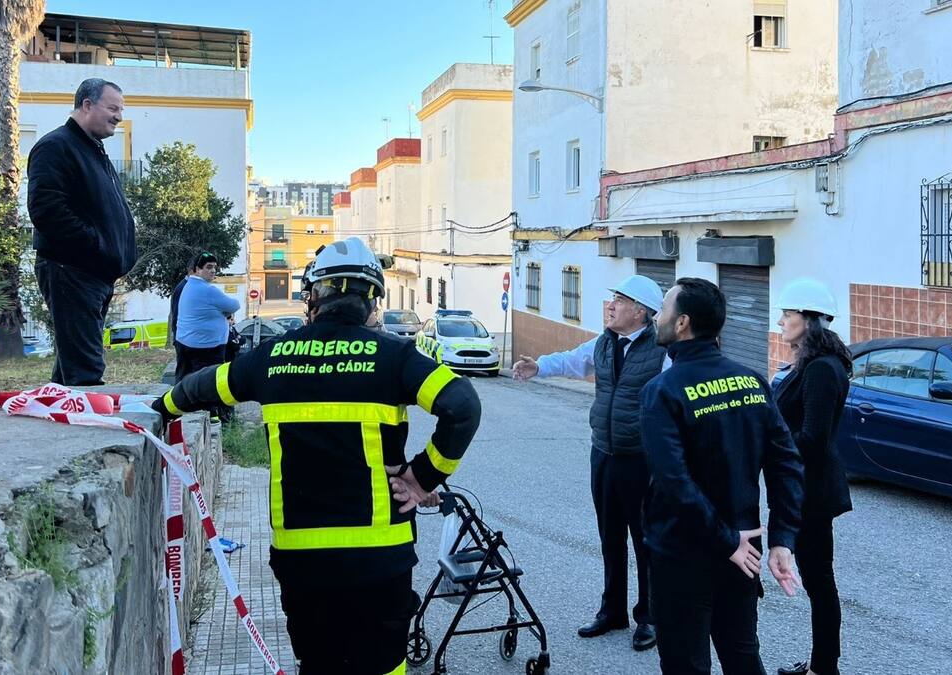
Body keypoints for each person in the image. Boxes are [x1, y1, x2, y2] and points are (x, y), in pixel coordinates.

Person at [151, 237, 482, 674]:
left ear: (313, 296)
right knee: (383, 667)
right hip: (380, 556)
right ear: (372, 301)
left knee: (320, 664)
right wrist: (422, 477)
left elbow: (202, 386)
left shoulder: (272, 357)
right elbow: (463, 407)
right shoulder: (396, 356)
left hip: (302, 559)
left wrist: (159, 408)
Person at [639, 277, 805, 675]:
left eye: (662, 309)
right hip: (740, 553)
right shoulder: (752, 381)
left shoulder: (662, 390)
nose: (655, 317)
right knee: (743, 658)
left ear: (682, 324)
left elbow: (674, 481)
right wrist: (782, 539)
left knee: (686, 665)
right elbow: (787, 464)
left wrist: (729, 540)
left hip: (686, 554)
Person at [512, 275, 666, 651]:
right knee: (610, 536)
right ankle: (612, 610)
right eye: (613, 297)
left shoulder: (664, 350)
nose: (610, 305)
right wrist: (539, 368)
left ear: (641, 311)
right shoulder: (605, 343)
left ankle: (651, 617)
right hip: (605, 453)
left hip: (641, 459)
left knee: (645, 540)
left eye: (619, 299)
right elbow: (574, 361)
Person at [28, 78, 136, 386]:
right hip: (73, 271)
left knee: (72, 366)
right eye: (113, 108)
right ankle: (93, 433)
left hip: (92, 273)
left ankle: (53, 423)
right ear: (87, 105)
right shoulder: (57, 146)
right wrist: (97, 246)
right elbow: (46, 210)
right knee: (86, 371)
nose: (118, 116)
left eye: (121, 110)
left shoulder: (92, 149)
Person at [772, 279, 853, 675]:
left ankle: (824, 668)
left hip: (812, 492)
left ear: (809, 319)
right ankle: (823, 665)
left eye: (787, 314)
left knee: (820, 583)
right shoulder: (811, 364)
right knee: (820, 581)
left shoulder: (822, 369)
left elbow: (814, 439)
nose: (781, 321)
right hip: (806, 487)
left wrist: (770, 444)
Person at [170, 252, 241, 383]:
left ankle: (181, 402)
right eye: (208, 267)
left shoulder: (188, 285)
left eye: (214, 267)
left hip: (186, 342)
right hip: (205, 349)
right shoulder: (208, 290)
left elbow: (201, 311)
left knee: (185, 382)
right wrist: (224, 313)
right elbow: (235, 305)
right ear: (197, 270)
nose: (213, 271)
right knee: (207, 385)